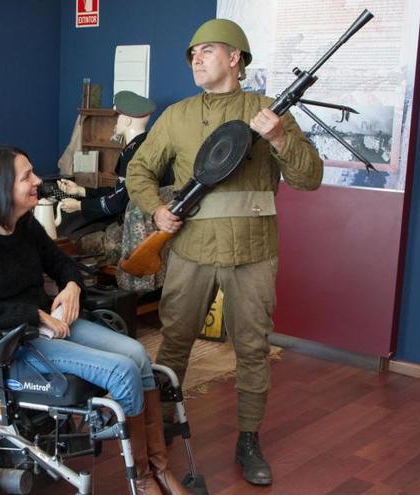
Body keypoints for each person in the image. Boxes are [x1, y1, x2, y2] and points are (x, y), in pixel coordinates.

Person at [126, 19, 323, 486]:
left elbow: (308, 177)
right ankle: (163, 433)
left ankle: (248, 437)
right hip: (191, 250)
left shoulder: (267, 111)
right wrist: (156, 212)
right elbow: (138, 171)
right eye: (192, 53)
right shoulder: (176, 115)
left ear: (236, 58)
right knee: (173, 343)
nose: (196, 58)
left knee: (252, 348)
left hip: (253, 252)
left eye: (208, 50)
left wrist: (277, 137)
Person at [0, 145, 190, 495]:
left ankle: (159, 470)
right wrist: (36, 314)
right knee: (121, 371)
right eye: (27, 176)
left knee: (136, 353)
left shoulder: (24, 225)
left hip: (49, 327)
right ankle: (144, 480)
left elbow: (63, 264)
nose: (38, 181)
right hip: (11, 343)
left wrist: (72, 286)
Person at [57, 90, 156, 222]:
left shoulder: (136, 153)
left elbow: (119, 201)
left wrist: (79, 205)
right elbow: (118, 190)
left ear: (126, 120)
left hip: (131, 220)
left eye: (117, 116)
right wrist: (80, 190)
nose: (115, 122)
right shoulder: (137, 146)